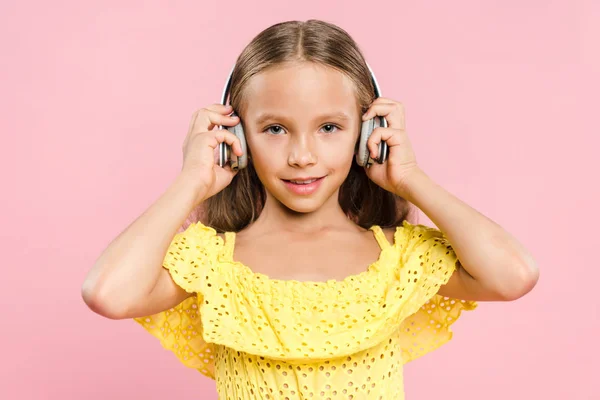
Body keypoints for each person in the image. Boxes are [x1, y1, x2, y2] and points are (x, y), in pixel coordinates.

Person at [82, 19, 539, 399]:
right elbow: (108, 293)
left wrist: (410, 177)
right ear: (236, 139)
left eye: (329, 127)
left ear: (367, 131)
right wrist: (191, 180)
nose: (302, 155)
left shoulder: (398, 258)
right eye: (276, 128)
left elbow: (514, 274)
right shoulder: (212, 260)